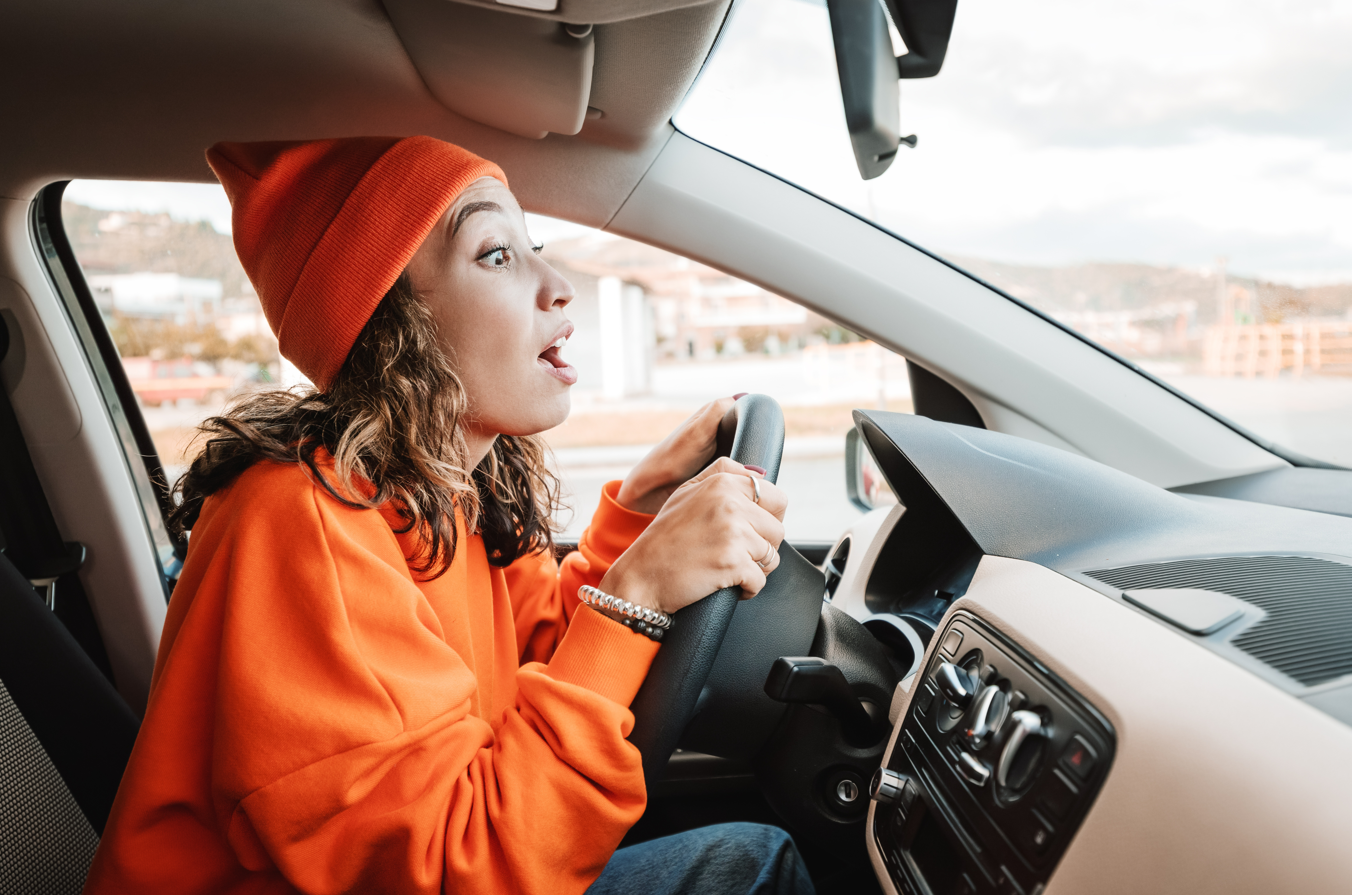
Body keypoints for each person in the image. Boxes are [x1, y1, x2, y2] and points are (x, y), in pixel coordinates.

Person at [84, 136, 815, 895]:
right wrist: (639, 591)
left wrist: (639, 510)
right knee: (754, 867)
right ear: (392, 325)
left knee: (750, 858)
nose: (559, 286)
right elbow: (454, 870)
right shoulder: (302, 519)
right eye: (497, 255)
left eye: (534, 249)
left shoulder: (449, 493)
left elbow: (547, 660)